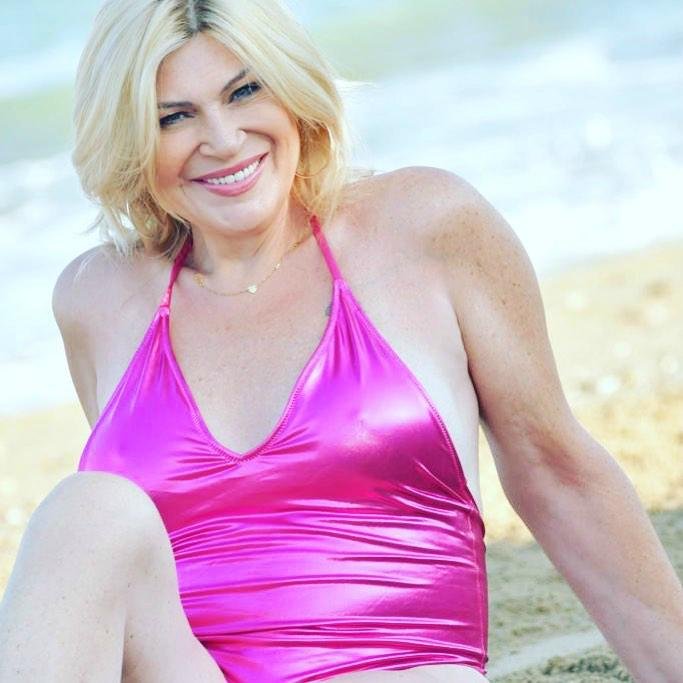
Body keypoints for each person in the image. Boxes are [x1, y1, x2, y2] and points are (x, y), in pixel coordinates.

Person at [1, 0, 682, 681]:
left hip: (394, 668)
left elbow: (555, 471)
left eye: (245, 91)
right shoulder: (98, 299)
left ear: (291, 86)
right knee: (85, 511)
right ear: (128, 139)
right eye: (173, 117)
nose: (224, 139)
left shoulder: (423, 228)